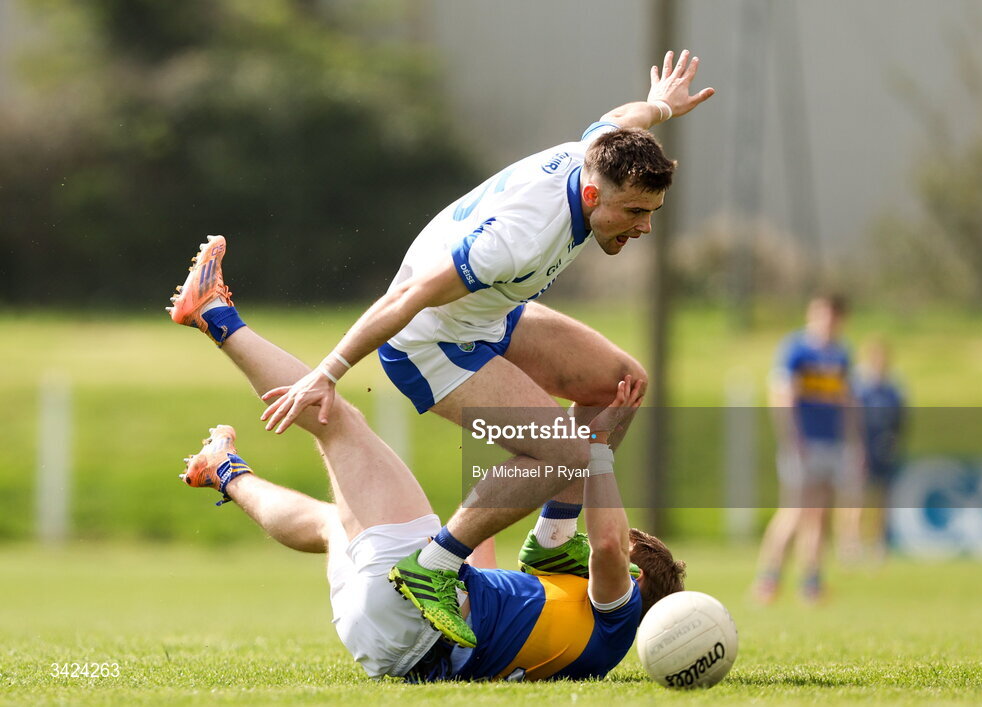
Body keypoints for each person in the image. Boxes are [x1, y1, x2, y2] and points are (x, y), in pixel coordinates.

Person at [168, 50, 713, 641]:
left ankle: (553, 540)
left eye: (653, 212)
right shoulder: (518, 240)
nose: (645, 226)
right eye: (635, 212)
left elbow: (620, 121)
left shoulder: (598, 158)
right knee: (565, 453)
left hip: (487, 315)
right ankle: (434, 567)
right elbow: (408, 298)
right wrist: (328, 370)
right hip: (430, 342)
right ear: (590, 196)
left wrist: (659, 105)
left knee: (619, 382)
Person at [170, 298, 685, 681]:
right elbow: (547, 527)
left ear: (637, 585)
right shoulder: (562, 616)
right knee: (335, 524)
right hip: (383, 643)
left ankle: (216, 317)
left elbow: (609, 545)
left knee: (339, 421)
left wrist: (595, 451)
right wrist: (566, 444)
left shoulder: (614, 622)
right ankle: (225, 470)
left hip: (410, 616)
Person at [752, 295, 863, 603]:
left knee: (818, 514)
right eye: (822, 315)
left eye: (833, 317)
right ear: (812, 315)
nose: (827, 323)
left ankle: (811, 582)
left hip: (832, 444)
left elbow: (848, 401)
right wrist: (792, 437)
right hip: (803, 445)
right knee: (794, 511)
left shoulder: (841, 355)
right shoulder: (796, 350)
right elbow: (781, 394)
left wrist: (854, 440)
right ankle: (768, 579)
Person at [845, 337, 906, 562]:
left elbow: (901, 419)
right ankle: (851, 543)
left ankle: (879, 543)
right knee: (857, 498)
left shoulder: (894, 389)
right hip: (862, 448)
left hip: (885, 449)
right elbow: (852, 419)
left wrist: (895, 442)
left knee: (882, 499)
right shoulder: (860, 388)